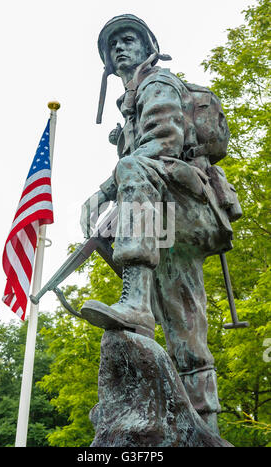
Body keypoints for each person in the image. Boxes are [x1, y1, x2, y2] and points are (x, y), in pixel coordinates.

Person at [80, 14, 241, 433]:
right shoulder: (131, 104)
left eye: (127, 39)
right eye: (111, 45)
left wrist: (105, 189)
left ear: (147, 45)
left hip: (187, 208)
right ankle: (205, 425)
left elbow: (164, 142)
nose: (119, 48)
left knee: (132, 166)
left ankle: (135, 302)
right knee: (186, 323)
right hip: (168, 220)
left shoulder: (157, 84)